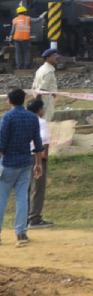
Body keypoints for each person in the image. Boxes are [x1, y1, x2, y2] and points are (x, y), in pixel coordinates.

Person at [0, 88, 43, 247]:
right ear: (24, 100)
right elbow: (37, 143)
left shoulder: (7, 117)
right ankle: (21, 233)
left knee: (1, 199)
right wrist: (38, 163)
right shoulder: (32, 117)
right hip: (26, 161)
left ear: (9, 101)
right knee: (22, 198)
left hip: (8, 162)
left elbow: (1, 143)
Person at [25, 99, 51, 230]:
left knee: (25, 188)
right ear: (39, 110)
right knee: (38, 188)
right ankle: (34, 218)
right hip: (37, 157)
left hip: (23, 156)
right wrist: (43, 156)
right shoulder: (41, 122)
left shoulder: (23, 121)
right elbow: (44, 139)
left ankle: (24, 218)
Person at [31, 49, 60, 123]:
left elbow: (34, 86)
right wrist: (40, 105)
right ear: (47, 58)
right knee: (45, 120)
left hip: (41, 99)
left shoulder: (41, 69)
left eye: (57, 55)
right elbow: (42, 89)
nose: (57, 57)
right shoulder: (48, 71)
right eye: (54, 56)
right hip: (46, 100)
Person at [11, 5, 32, 70]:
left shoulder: (14, 19)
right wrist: (41, 17)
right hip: (26, 39)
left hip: (17, 39)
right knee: (26, 52)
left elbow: (13, 30)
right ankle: (26, 66)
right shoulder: (28, 18)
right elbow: (36, 20)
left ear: (17, 13)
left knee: (18, 53)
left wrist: (10, 37)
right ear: (25, 12)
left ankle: (19, 66)